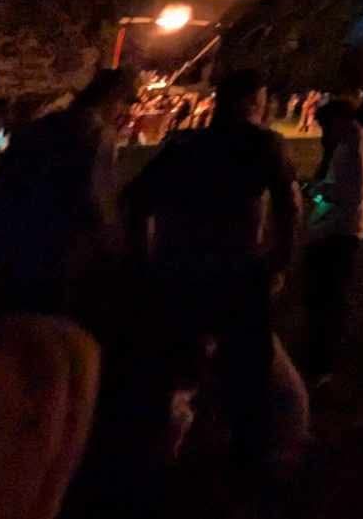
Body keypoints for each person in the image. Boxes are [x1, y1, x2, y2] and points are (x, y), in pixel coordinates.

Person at [123, 68, 301, 470]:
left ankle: (163, 448)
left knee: (181, 366)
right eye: (261, 102)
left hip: (181, 270)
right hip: (238, 273)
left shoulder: (184, 145)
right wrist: (279, 263)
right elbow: (290, 210)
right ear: (251, 104)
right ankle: (249, 454)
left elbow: (135, 201)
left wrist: (144, 261)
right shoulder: (263, 145)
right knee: (248, 369)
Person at [0, 67, 136, 320]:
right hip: (58, 245)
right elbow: (99, 198)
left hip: (13, 237)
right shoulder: (97, 133)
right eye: (125, 103)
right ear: (113, 97)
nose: (126, 112)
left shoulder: (44, 125)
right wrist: (116, 246)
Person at [303, 98, 363, 384]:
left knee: (328, 300)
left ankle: (322, 364)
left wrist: (313, 191)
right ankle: (320, 357)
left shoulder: (355, 145)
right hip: (333, 229)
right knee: (323, 299)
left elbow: (349, 195)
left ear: (338, 121)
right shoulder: (351, 142)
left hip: (338, 232)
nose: (323, 134)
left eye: (325, 126)